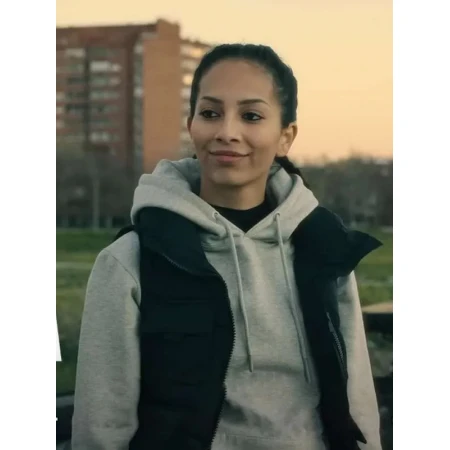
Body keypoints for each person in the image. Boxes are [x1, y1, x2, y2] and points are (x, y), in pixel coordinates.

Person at [71, 43, 383, 450]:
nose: (226, 132)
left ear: (285, 137)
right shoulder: (131, 261)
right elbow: (102, 428)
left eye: (251, 116)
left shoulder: (324, 249)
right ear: (191, 125)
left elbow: (359, 403)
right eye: (210, 113)